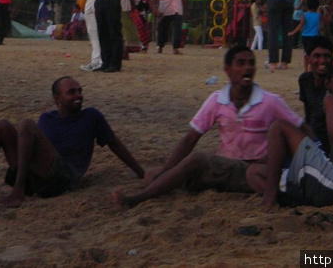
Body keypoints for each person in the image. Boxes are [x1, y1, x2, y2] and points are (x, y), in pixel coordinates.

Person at [112, 45, 306, 208]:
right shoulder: (217, 100)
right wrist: (166, 170)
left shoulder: (270, 101)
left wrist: (315, 158)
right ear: (228, 70)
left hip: (252, 169)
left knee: (195, 160)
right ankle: (157, 183)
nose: (248, 68)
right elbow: (190, 138)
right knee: (154, 174)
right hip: (224, 168)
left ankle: (138, 199)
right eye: (241, 63)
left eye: (251, 63)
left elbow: (301, 127)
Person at [0, 76, 144, 209]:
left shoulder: (91, 116)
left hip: (64, 177)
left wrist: (141, 172)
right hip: (39, 175)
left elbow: (114, 144)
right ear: (57, 99)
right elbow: (31, 148)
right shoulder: (47, 118)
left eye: (80, 91)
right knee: (0, 126)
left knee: (26, 124)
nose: (78, 95)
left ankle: (18, 189)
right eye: (71, 92)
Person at [261, 56, 333, 207]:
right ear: (328, 83)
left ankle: (270, 198)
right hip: (324, 175)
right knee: (254, 173)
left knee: (279, 127)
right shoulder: (329, 102)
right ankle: (293, 197)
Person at [297, 36, 333, 152]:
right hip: (311, 134)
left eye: (326, 56)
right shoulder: (304, 80)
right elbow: (308, 112)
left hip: (330, 137)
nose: (322, 60)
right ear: (308, 59)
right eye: (317, 56)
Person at [290, 0, 322, 72]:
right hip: (315, 36)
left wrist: (293, 32)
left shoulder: (304, 15)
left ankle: (305, 70)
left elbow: (300, 25)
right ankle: (313, 68)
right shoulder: (318, 16)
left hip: (306, 36)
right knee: (314, 53)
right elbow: (326, 21)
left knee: (306, 54)